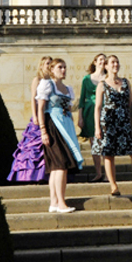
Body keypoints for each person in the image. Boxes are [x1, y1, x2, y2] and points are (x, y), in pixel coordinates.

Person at [36, 58, 83, 213]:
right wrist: (43, 130)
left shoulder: (68, 88)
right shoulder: (47, 84)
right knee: (60, 164)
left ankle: (55, 202)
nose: (63, 70)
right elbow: (41, 108)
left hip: (66, 125)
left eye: (64, 67)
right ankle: (61, 202)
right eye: (59, 67)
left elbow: (69, 108)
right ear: (52, 69)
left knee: (59, 167)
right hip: (53, 125)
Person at [92, 55, 132, 196]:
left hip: (125, 121)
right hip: (108, 122)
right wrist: (97, 127)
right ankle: (113, 185)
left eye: (117, 62)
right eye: (112, 62)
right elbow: (98, 107)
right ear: (106, 66)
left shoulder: (125, 82)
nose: (115, 64)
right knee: (108, 154)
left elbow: (131, 103)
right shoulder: (102, 84)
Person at [7, 56, 52, 182]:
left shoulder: (52, 80)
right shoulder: (37, 79)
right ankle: (31, 175)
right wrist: (35, 115)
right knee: (35, 147)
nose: (49, 66)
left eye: (50, 63)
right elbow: (33, 99)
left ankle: (46, 174)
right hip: (39, 114)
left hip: (49, 115)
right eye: (47, 63)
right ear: (42, 65)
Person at [77, 53, 106, 182]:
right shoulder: (86, 79)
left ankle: (108, 173)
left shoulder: (108, 78)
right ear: (94, 62)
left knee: (106, 144)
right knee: (95, 144)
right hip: (89, 113)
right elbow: (82, 99)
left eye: (104, 60)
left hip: (105, 112)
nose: (102, 62)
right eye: (100, 60)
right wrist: (80, 117)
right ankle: (98, 172)